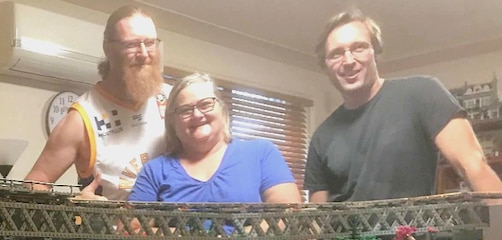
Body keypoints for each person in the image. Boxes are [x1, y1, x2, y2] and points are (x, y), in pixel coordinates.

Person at [305, 10, 502, 204]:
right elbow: (317, 218)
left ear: (376, 54)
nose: (348, 61)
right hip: (341, 237)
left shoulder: (422, 92)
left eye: (359, 48)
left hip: (411, 236)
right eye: (336, 54)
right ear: (325, 66)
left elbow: (473, 166)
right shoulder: (321, 137)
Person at [23, 6, 170, 201]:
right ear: (108, 48)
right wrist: (73, 204)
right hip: (116, 229)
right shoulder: (82, 118)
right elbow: (33, 185)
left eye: (150, 43)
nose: (144, 53)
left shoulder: (175, 100)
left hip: (178, 228)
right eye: (132, 44)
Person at [128, 73, 301, 204]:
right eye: (185, 110)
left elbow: (288, 220)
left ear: (222, 110)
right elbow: (132, 232)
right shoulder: (154, 171)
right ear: (173, 122)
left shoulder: (261, 153)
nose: (197, 114)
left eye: (206, 104)